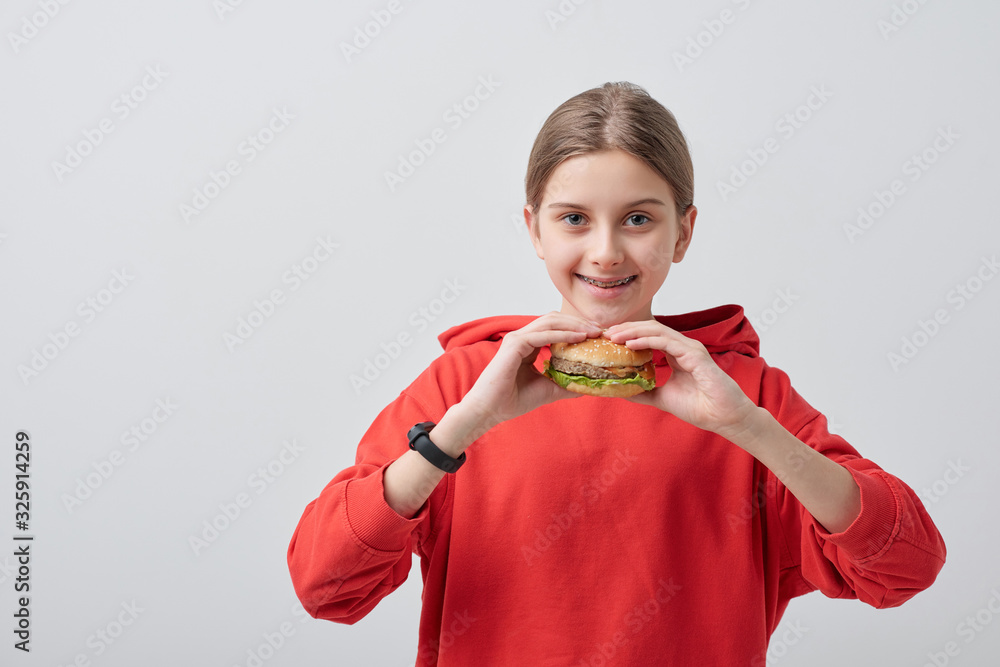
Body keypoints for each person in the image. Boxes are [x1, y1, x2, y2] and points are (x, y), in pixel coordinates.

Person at [287, 81, 946, 665]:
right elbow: (324, 584)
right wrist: (458, 431)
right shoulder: (463, 385)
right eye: (574, 218)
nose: (605, 252)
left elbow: (905, 566)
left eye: (638, 218)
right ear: (535, 230)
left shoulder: (746, 394)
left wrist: (752, 430)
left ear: (683, 233)